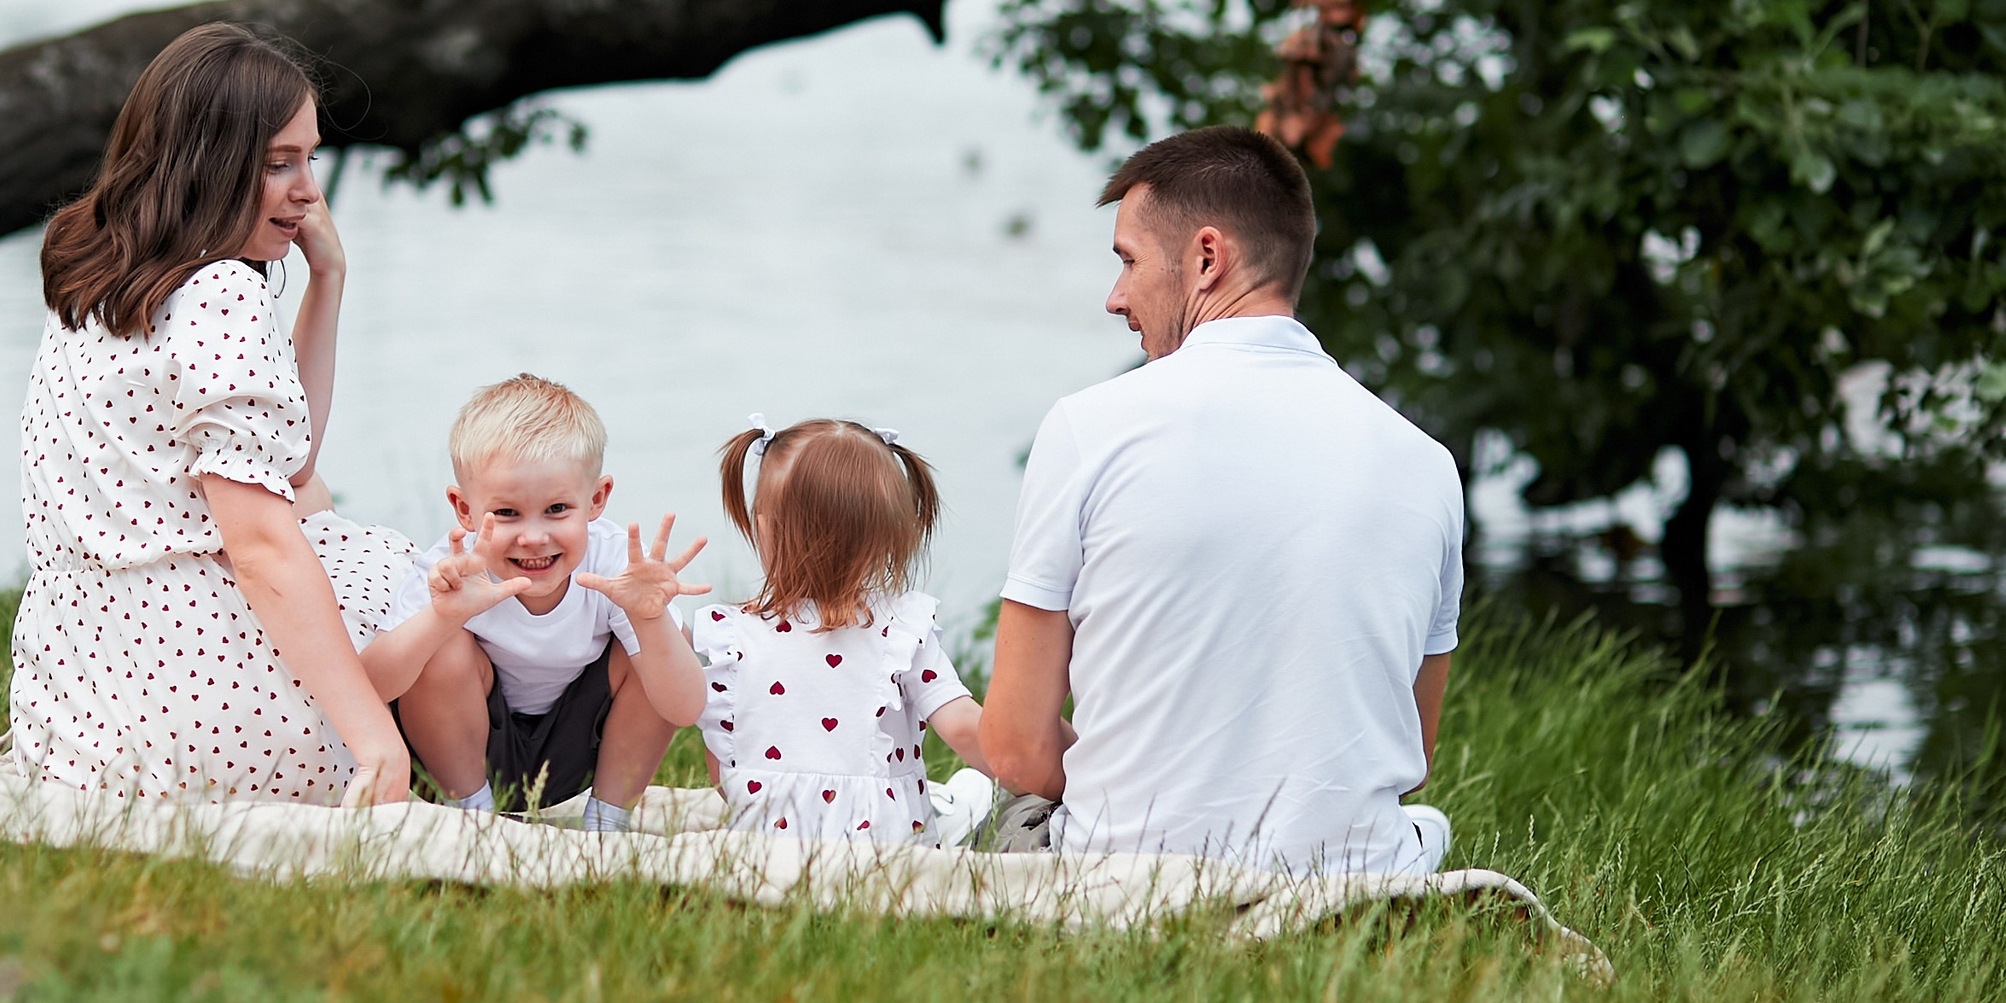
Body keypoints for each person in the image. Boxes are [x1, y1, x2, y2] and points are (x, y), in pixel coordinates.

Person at [983, 125, 1464, 873]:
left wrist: (1131, 791)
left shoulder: (1090, 427)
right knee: (1424, 824)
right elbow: (1411, 753)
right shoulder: (1427, 465)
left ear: (1207, 257)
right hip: (1350, 885)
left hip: (1126, 882)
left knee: (1005, 810)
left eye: (1129, 261)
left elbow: (1015, 747)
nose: (1115, 297)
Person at [7, 22, 420, 807]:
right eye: (279, 163)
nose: (309, 191)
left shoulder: (95, 277)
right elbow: (261, 547)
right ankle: (450, 767)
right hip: (202, 711)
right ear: (208, 162)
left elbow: (289, 460)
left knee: (314, 502)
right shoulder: (221, 293)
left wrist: (326, 279)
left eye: (310, 159)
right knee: (411, 585)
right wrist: (375, 743)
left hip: (74, 706)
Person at [371, 374, 710, 831]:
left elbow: (685, 709)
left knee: (660, 641)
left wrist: (651, 621)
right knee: (440, 644)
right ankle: (474, 820)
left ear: (596, 499)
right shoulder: (452, 569)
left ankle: (607, 822)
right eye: (506, 513)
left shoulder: (615, 563)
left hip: (578, 754)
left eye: (556, 510)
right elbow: (372, 689)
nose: (533, 537)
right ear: (464, 509)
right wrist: (440, 617)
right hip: (460, 757)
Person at [692, 418, 988, 841]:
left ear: (763, 525)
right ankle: (943, 813)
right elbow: (962, 726)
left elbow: (723, 766)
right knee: (970, 792)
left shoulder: (732, 635)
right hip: (884, 846)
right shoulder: (902, 629)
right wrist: (1045, 771)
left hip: (764, 844)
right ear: (888, 535)